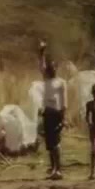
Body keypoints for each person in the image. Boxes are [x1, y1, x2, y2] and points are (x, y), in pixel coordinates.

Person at [38, 41, 67, 180]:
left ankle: (59, 169)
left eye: (54, 67)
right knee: (49, 143)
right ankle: (53, 168)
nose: (52, 69)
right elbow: (41, 66)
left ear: (57, 68)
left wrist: (64, 117)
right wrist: (42, 52)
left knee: (56, 143)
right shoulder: (46, 79)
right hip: (47, 113)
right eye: (50, 67)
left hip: (56, 113)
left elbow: (64, 100)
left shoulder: (61, 82)